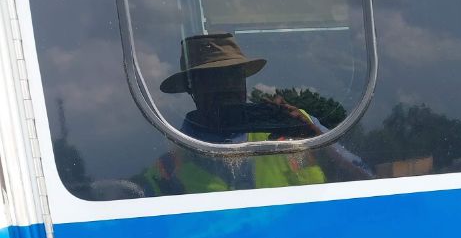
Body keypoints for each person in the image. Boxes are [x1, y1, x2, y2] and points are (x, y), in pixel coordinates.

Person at [140, 33, 370, 195]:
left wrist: (318, 144)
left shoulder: (297, 124)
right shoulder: (168, 168)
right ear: (193, 88)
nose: (227, 87)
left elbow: (368, 185)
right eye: (213, 78)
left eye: (233, 75)